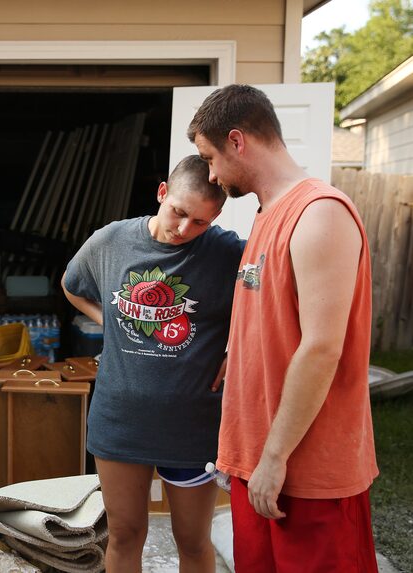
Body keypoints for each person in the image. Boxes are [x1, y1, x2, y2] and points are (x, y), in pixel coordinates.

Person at [187, 84, 379, 572]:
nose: (209, 174)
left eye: (209, 158)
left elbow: (320, 349)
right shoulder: (266, 215)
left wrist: (274, 458)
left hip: (306, 473)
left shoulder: (319, 214)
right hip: (260, 468)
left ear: (237, 140)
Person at [62, 155, 244, 572]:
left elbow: (270, 300)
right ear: (162, 192)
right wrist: (109, 322)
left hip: (192, 426)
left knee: (194, 542)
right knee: (125, 534)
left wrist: (237, 349)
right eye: (179, 212)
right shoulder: (110, 241)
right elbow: (72, 285)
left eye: (200, 222)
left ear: (215, 217)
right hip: (120, 420)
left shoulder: (226, 251)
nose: (184, 229)